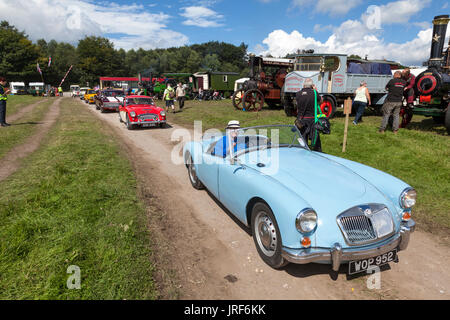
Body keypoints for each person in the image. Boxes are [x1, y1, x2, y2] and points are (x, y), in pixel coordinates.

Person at [295, 78, 323, 152]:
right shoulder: (314, 93)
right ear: (312, 85)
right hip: (312, 119)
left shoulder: (298, 94)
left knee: (302, 139)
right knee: (316, 139)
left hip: (301, 119)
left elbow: (297, 106)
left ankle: (303, 152)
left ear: (304, 85)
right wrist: (315, 90)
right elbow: (321, 101)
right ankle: (318, 153)